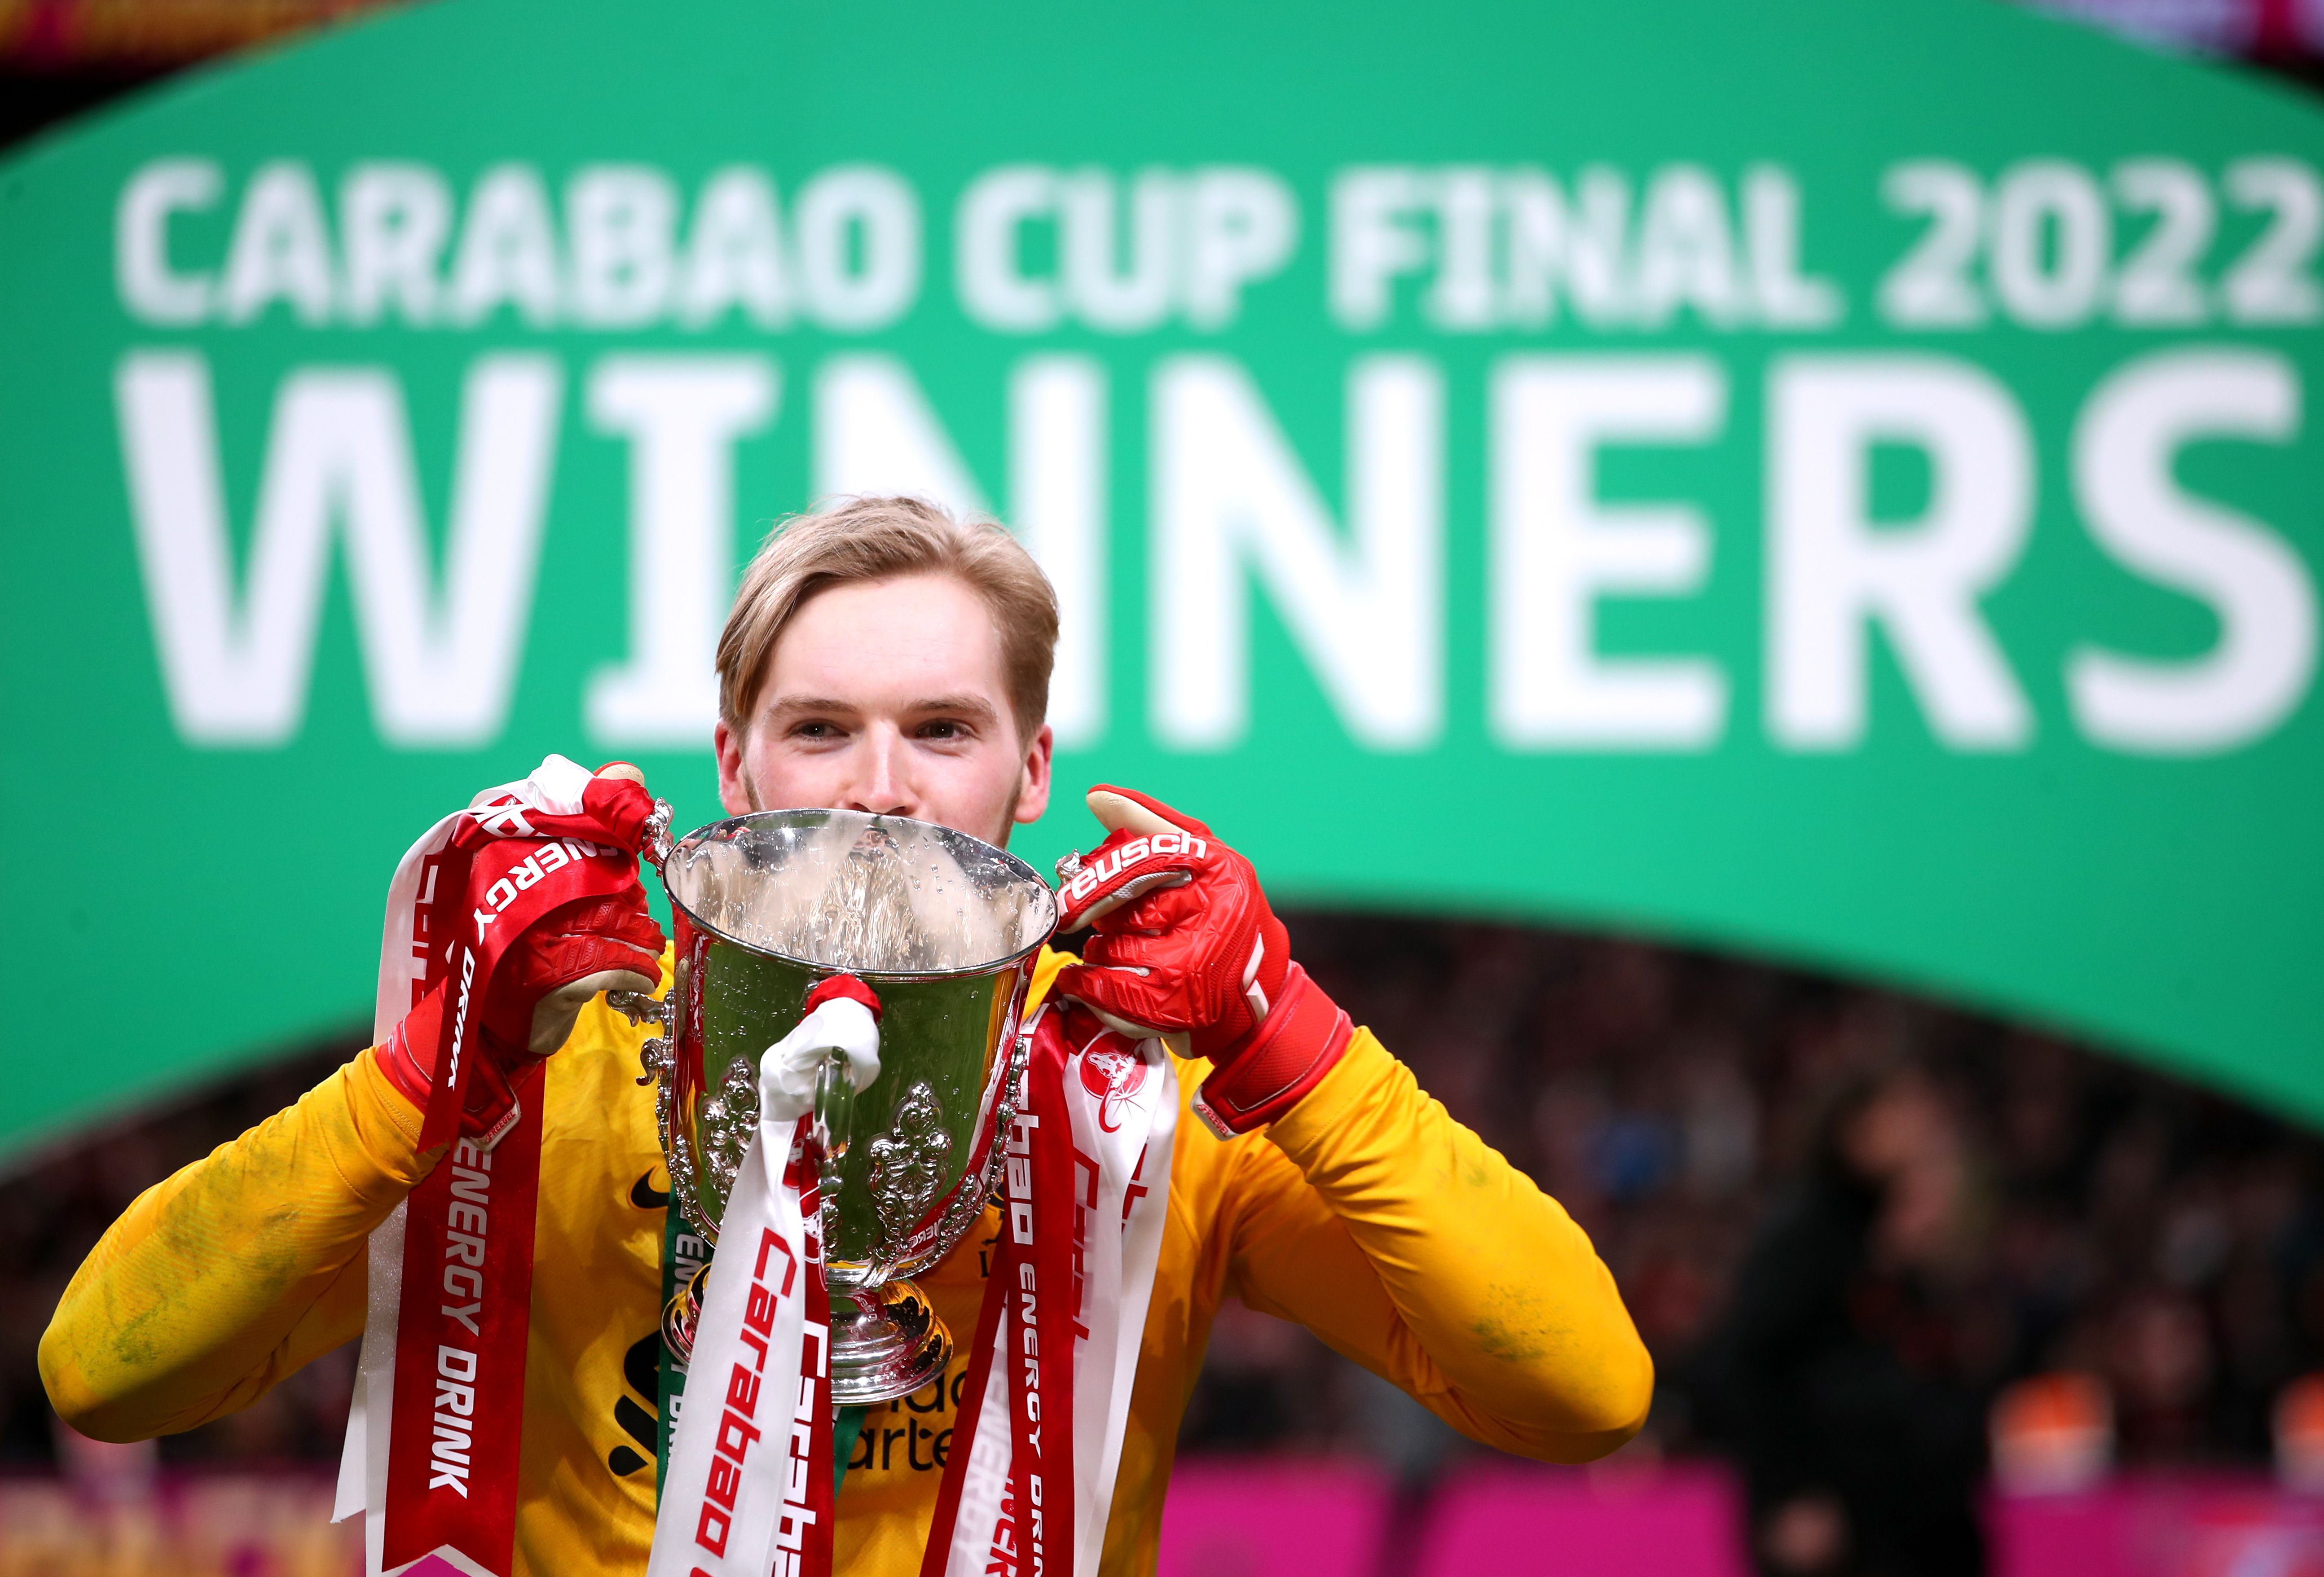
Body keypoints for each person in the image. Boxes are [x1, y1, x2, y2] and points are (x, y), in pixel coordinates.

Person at [40, 496, 1651, 1575]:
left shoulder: (1138, 1125)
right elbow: (107, 1372)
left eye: (942, 729)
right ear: (736, 767)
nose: (879, 788)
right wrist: (421, 1074)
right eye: (823, 728)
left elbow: (1582, 1392)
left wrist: (1286, 1034)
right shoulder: (542, 1077)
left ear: (1029, 774)